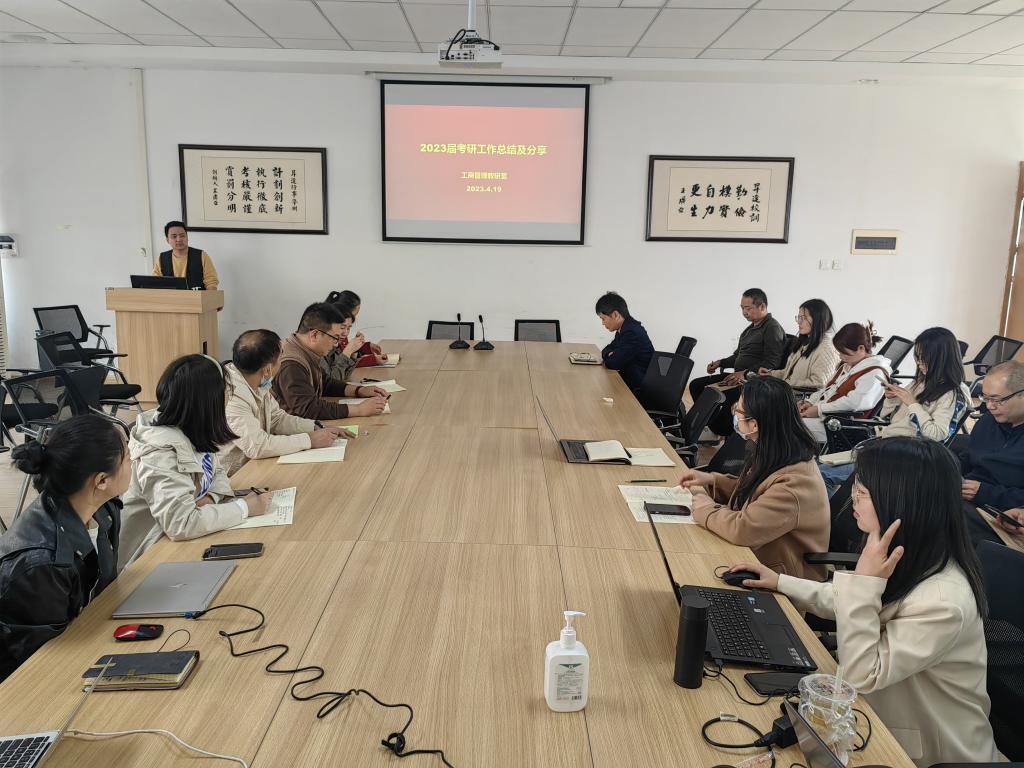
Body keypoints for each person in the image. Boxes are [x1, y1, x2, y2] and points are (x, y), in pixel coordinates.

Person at [729, 438, 1000, 768]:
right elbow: (853, 603)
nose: (853, 497)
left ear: (901, 501)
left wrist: (866, 581)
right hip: (879, 716)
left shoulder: (944, 602)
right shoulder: (910, 553)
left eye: (864, 491)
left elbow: (862, 674)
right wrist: (780, 582)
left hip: (926, 752)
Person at [0, 415, 131, 681]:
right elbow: (42, 664)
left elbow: (102, 595)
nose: (133, 463)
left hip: (89, 642)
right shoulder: (41, 563)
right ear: (101, 481)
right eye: (128, 458)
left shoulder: (103, 510)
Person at [118, 355, 272, 570]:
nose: (228, 399)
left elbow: (218, 473)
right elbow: (181, 523)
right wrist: (244, 507)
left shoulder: (192, 427)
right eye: (226, 392)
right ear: (207, 401)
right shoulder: (159, 452)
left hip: (186, 542)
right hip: (148, 558)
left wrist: (210, 497)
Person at [679, 376, 829, 581]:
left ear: (755, 424)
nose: (735, 414)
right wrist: (712, 481)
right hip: (758, 556)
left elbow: (743, 530)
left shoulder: (795, 483)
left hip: (783, 578)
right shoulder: (775, 449)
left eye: (738, 411)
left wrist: (706, 510)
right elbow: (757, 490)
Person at [818, 327, 970, 494]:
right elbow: (889, 417)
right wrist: (891, 399)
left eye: (924, 359)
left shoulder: (952, 393)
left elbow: (936, 435)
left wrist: (912, 403)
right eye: (918, 358)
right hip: (887, 446)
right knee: (818, 469)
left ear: (941, 358)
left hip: (904, 459)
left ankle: (834, 510)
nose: (919, 364)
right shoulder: (921, 382)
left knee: (822, 475)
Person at [222, 329, 353, 476]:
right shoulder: (232, 396)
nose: (282, 362)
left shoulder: (256, 380)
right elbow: (258, 446)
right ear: (267, 370)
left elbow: (277, 419)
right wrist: (309, 440)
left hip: (256, 465)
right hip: (235, 476)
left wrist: (317, 427)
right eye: (280, 358)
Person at [689, 288, 786, 434]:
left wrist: (744, 373)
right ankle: (712, 425)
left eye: (748, 308)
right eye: (742, 308)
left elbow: (772, 362)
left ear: (762, 307)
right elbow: (737, 356)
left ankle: (721, 429)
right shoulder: (749, 329)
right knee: (696, 385)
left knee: (723, 409)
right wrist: (720, 363)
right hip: (737, 378)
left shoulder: (772, 328)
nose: (744, 312)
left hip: (751, 383)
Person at [272, 303, 388, 421]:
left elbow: (324, 383)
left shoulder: (304, 350)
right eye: (334, 337)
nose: (336, 344)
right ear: (314, 335)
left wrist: (359, 390)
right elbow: (309, 408)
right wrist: (359, 409)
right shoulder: (291, 364)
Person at [798, 321, 890, 443]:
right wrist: (810, 402)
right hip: (827, 418)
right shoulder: (849, 366)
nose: (841, 357)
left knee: (786, 426)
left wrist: (819, 409)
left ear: (861, 348)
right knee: (782, 419)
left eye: (844, 353)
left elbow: (854, 403)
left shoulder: (875, 373)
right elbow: (827, 390)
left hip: (840, 426)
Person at [758, 299, 839, 390]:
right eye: (799, 317)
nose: (799, 322)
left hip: (800, 398)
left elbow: (819, 383)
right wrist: (770, 374)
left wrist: (783, 384)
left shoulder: (827, 348)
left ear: (818, 320)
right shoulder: (805, 343)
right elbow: (788, 373)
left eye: (803, 318)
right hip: (787, 393)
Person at [595, 292, 654, 392]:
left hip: (640, 387)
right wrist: (609, 354)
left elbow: (613, 363)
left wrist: (611, 355)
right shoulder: (625, 328)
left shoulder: (631, 332)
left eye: (603, 318)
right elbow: (607, 349)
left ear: (615, 315)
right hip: (631, 380)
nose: (602, 323)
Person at [328, 290, 388, 369]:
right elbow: (341, 363)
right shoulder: (329, 336)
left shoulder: (341, 331)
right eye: (353, 316)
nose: (346, 332)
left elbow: (346, 355)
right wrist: (373, 360)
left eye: (349, 327)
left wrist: (363, 346)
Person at [153, 221, 219, 290]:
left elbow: (211, 281)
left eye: (182, 235)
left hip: (196, 296)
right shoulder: (162, 258)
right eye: (174, 236)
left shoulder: (202, 255)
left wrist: (210, 295)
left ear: (187, 237)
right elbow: (154, 282)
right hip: (170, 296)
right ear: (167, 240)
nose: (179, 239)